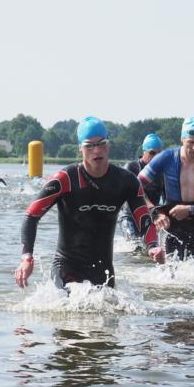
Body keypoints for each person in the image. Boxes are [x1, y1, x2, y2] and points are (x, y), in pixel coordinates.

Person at [14, 116, 164, 290]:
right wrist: (27, 258)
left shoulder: (126, 181)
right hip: (67, 267)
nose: (96, 151)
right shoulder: (66, 179)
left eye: (101, 144)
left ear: (109, 145)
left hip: (104, 272)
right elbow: (31, 215)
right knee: (71, 306)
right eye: (89, 146)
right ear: (80, 148)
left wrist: (152, 246)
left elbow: (144, 220)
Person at [138, 117, 194, 272]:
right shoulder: (166, 158)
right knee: (169, 277)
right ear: (182, 139)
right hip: (170, 224)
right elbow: (135, 187)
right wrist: (155, 212)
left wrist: (189, 210)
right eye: (190, 142)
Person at [118, 133, 164, 243]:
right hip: (130, 217)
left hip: (150, 217)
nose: (155, 157)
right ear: (144, 151)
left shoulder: (162, 172)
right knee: (135, 246)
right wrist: (152, 207)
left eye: (159, 154)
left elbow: (167, 197)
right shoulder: (131, 167)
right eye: (152, 153)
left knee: (151, 248)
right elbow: (137, 191)